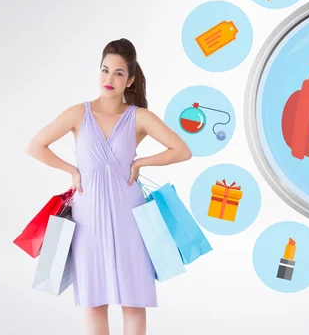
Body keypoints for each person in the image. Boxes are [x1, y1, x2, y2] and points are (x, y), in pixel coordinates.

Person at [25, 38, 192, 335]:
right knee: (94, 301)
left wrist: (141, 163)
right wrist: (71, 170)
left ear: (130, 80)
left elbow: (181, 150)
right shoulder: (79, 113)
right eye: (104, 70)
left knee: (133, 300)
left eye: (118, 73)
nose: (109, 79)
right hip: (87, 217)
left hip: (130, 216)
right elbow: (36, 145)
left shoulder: (139, 116)